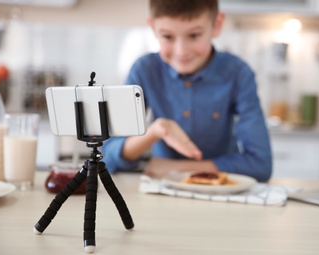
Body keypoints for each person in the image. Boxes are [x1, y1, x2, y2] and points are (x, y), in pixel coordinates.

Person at [102, 0, 272, 182]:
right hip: (160, 195)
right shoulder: (144, 70)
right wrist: (156, 132)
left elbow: (260, 165)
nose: (181, 51)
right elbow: (109, 155)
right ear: (153, 27)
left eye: (194, 35)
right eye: (168, 37)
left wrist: (177, 168)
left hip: (222, 190)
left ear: (217, 25)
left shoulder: (238, 73)